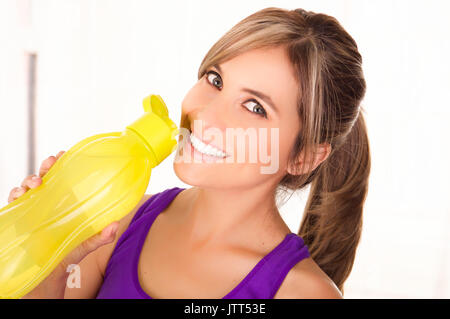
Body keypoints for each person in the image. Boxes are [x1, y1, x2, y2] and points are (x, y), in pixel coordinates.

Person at [10, 7, 370, 299]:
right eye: (215, 80)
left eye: (254, 106)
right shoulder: (117, 224)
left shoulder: (305, 294)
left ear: (304, 157)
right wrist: (47, 259)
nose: (205, 114)